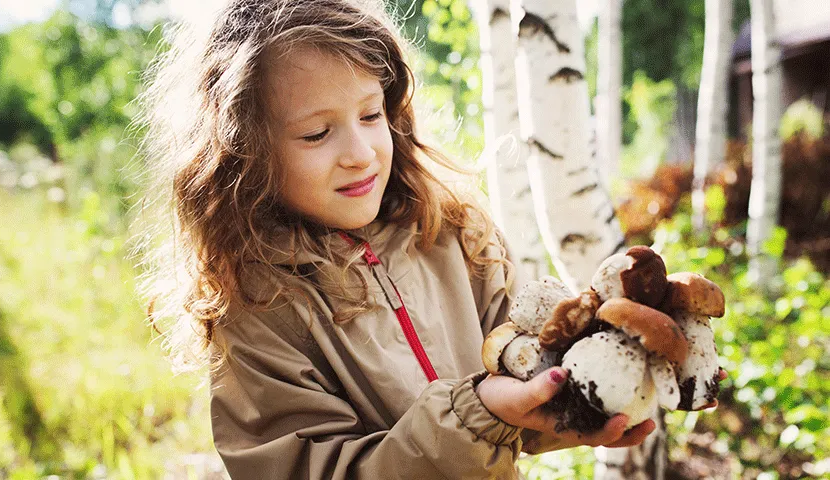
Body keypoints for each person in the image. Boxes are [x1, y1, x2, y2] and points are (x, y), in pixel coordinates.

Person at [136, 0, 657, 478]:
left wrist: (590, 382)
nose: (360, 152)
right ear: (246, 155)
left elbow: (525, 374)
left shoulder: (450, 232)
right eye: (317, 133)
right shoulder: (257, 306)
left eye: (370, 115)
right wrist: (478, 416)